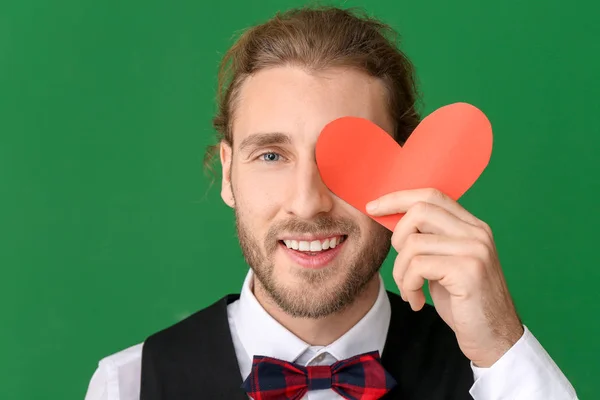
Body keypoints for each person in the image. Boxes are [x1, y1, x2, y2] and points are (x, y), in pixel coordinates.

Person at [85, 6, 578, 400]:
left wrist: (501, 348)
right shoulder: (126, 387)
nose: (307, 203)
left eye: (348, 158)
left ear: (410, 169)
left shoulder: (493, 379)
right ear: (229, 173)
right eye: (272, 155)